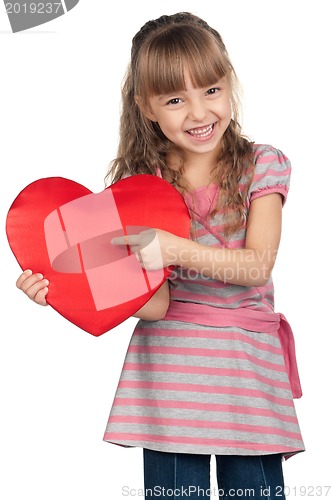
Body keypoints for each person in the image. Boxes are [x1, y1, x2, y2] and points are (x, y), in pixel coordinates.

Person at [16, 12, 304, 500]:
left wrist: (172, 248)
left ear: (229, 84)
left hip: (246, 372)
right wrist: (60, 290)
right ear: (146, 107)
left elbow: (257, 266)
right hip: (170, 375)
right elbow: (156, 305)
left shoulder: (262, 164)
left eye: (210, 90)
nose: (198, 112)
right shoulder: (138, 189)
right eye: (175, 99)